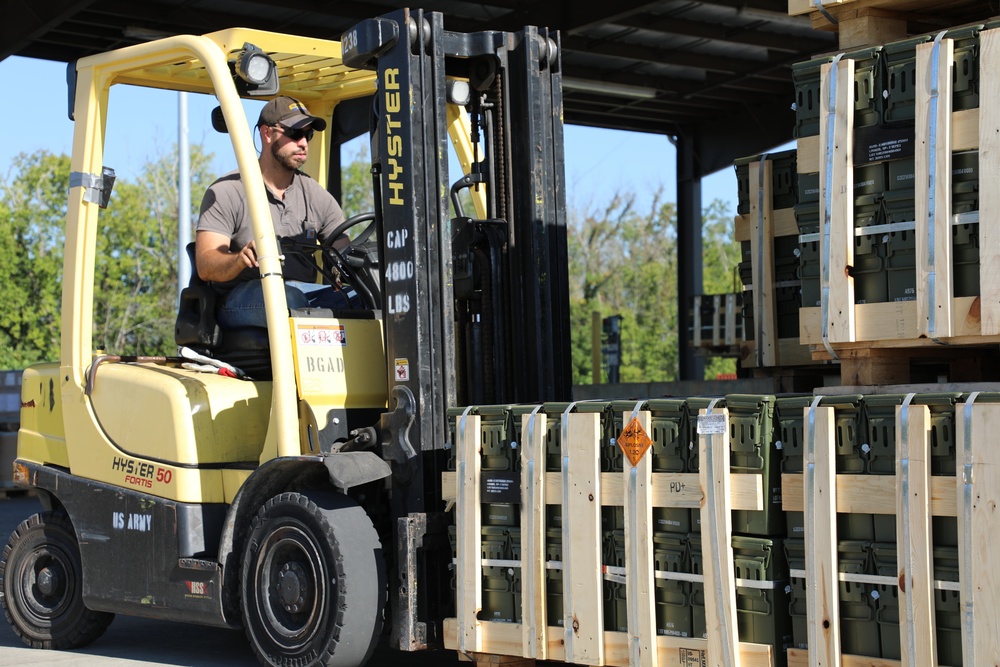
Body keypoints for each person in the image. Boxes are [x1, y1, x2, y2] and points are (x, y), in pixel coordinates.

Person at [195, 95, 351, 329]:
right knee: (287, 299)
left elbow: (344, 250)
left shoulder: (314, 194)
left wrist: (353, 264)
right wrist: (239, 259)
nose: (304, 143)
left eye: (308, 135)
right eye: (296, 134)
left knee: (363, 300)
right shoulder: (227, 190)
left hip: (301, 295)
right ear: (267, 134)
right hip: (241, 298)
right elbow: (206, 265)